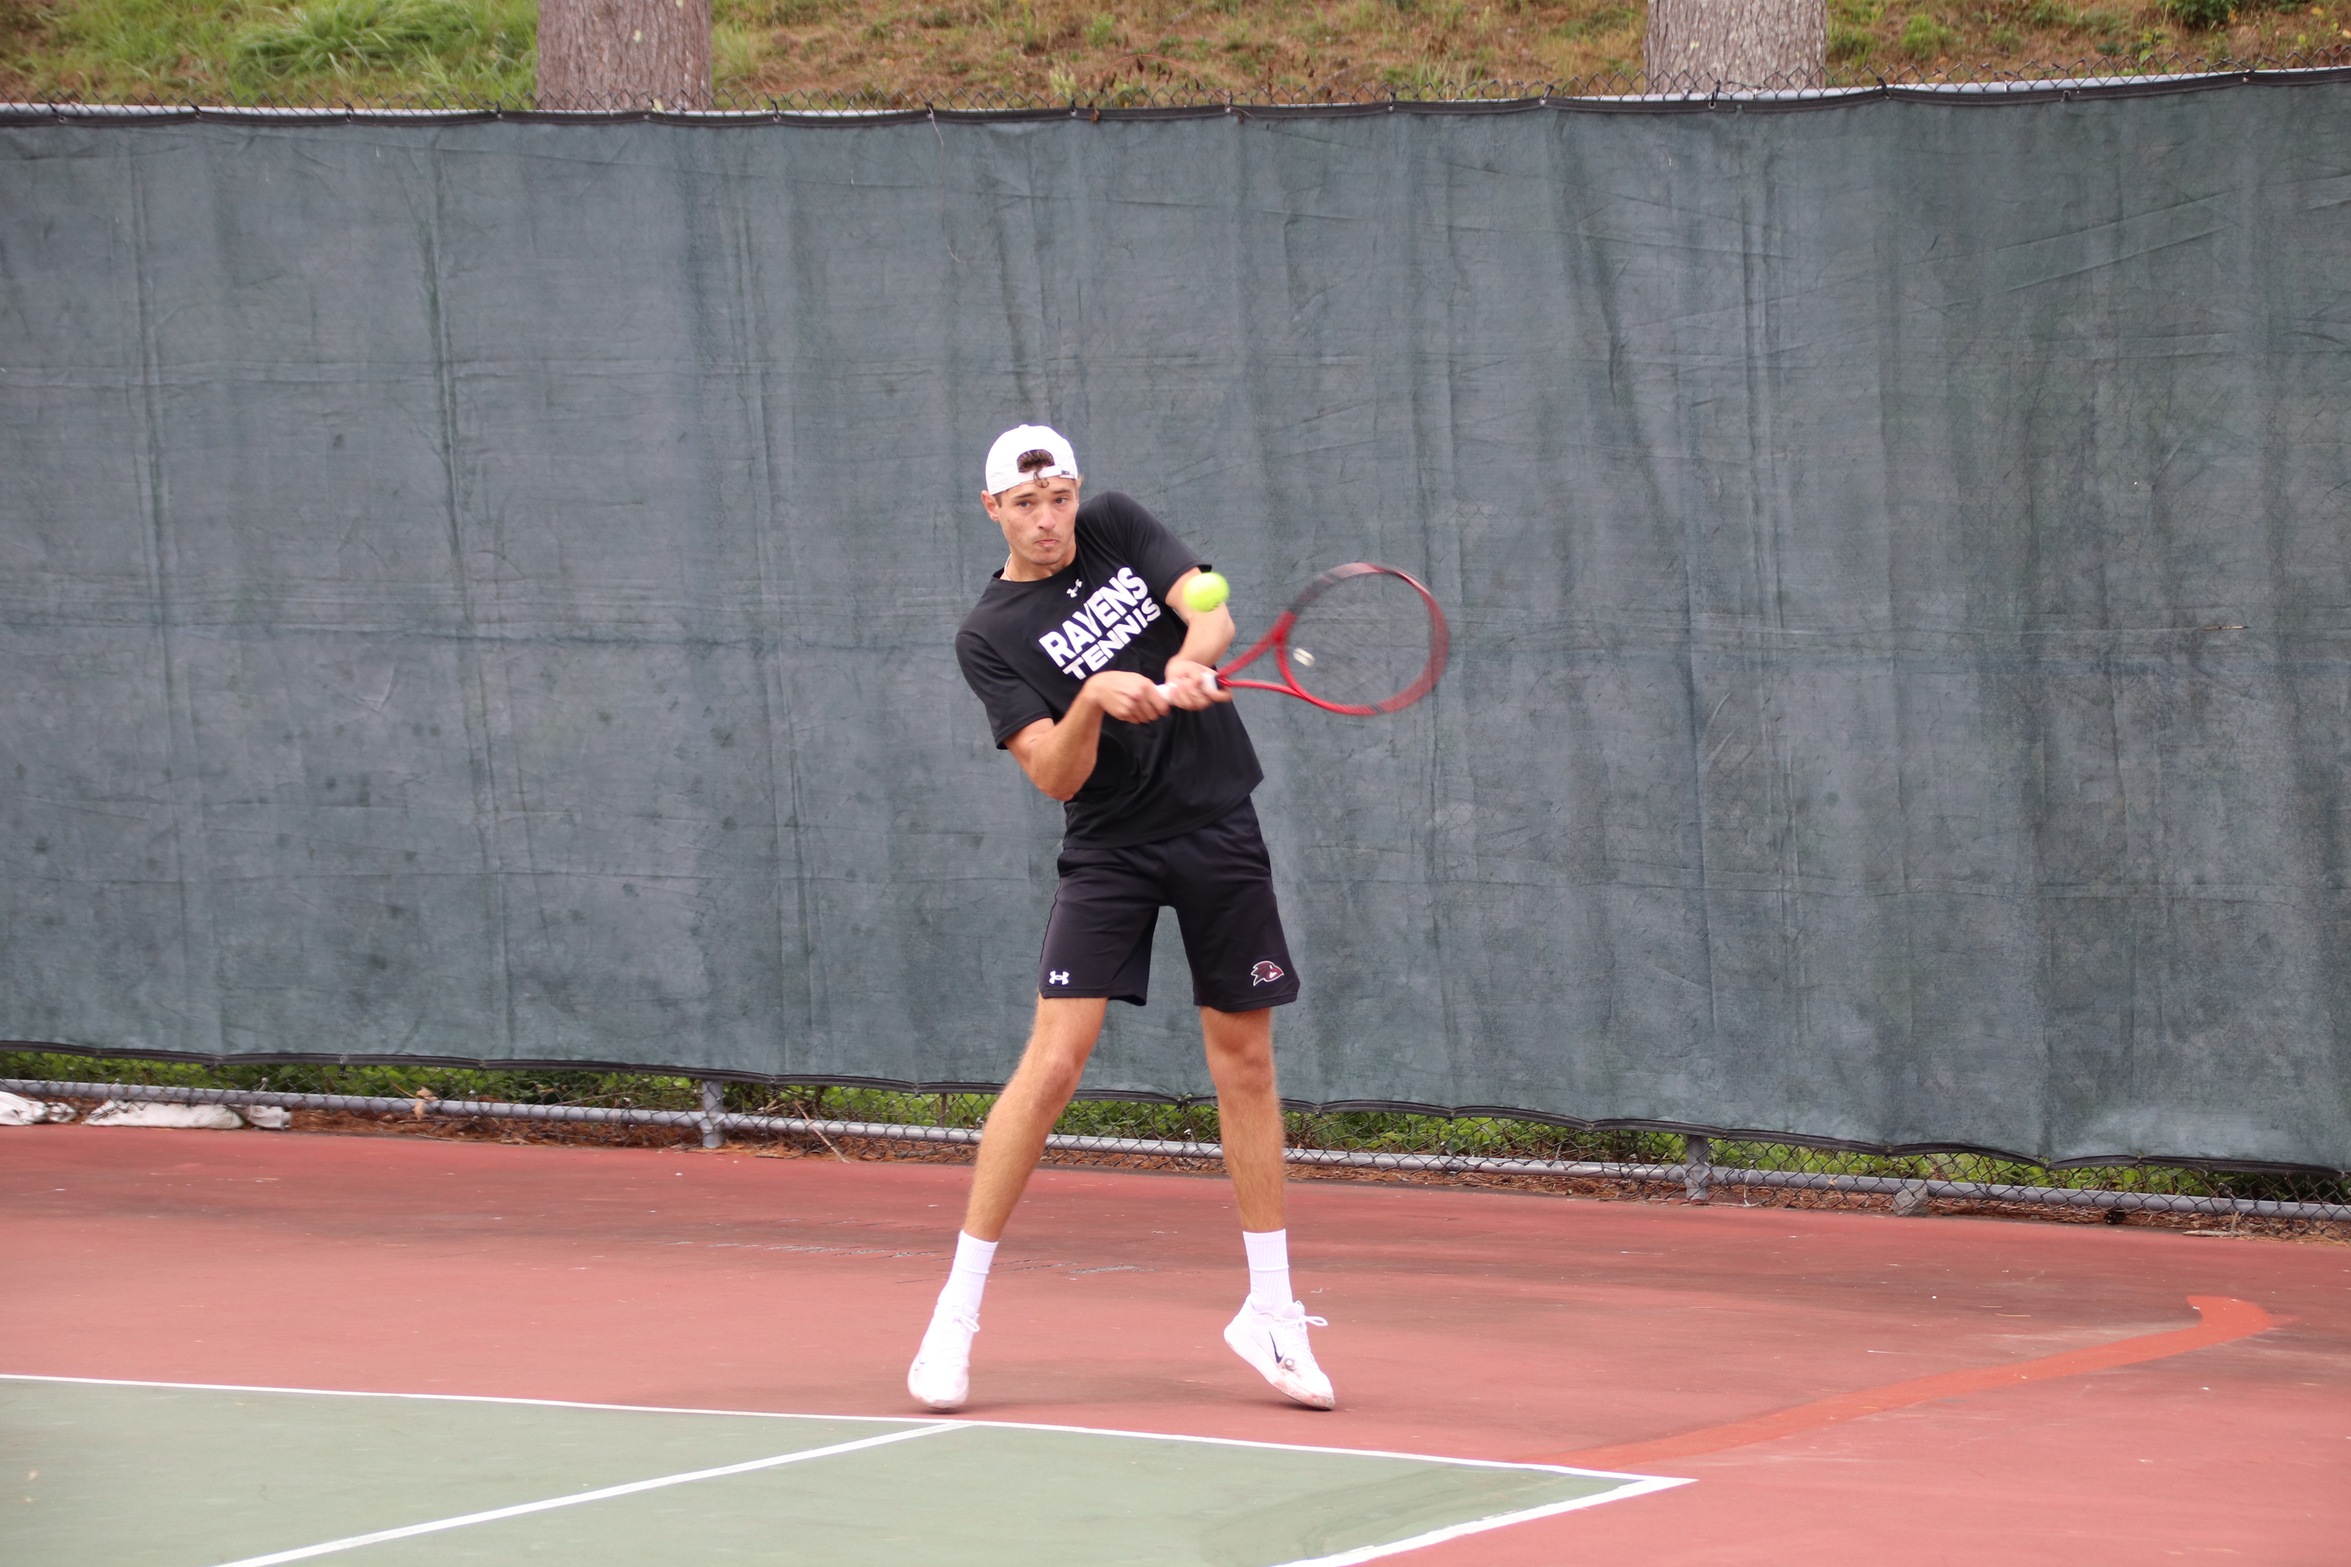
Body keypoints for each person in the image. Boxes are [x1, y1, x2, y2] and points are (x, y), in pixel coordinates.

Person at [907, 423, 1333, 1414]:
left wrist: (1189, 658)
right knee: (1054, 1061)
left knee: (1246, 1060)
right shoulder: (988, 635)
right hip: (1109, 848)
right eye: (1026, 504)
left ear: (1076, 492)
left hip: (1217, 821)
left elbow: (1209, 611)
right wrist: (1094, 697)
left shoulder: (1116, 526)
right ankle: (955, 1312)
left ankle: (1270, 1311)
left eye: (1057, 495)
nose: (1048, 518)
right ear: (992, 513)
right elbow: (1054, 772)